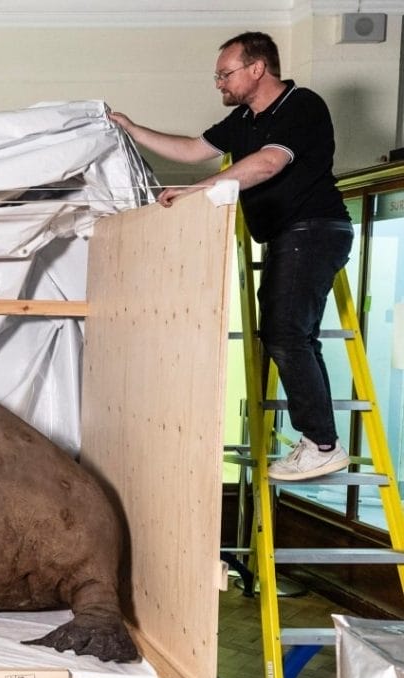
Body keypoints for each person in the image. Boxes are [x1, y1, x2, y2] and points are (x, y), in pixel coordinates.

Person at [108, 31, 354, 482]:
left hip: (313, 230)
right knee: (292, 334)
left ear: (257, 68)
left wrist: (196, 191)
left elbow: (268, 163)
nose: (219, 83)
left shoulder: (301, 105)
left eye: (225, 74)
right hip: (287, 235)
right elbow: (192, 149)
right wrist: (132, 128)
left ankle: (322, 444)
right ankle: (320, 440)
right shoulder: (243, 119)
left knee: (284, 332)